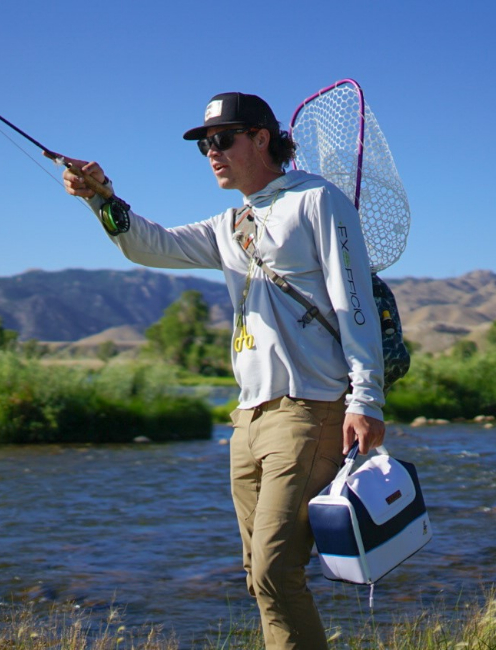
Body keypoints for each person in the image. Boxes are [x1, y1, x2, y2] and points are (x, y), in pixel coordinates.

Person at [63, 91, 385, 650]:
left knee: (274, 571)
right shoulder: (229, 224)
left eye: (221, 140)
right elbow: (149, 245)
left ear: (261, 138)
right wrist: (102, 199)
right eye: (205, 145)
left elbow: (353, 301)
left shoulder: (318, 200)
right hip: (247, 421)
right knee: (259, 575)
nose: (211, 153)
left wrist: (366, 400)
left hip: (309, 410)